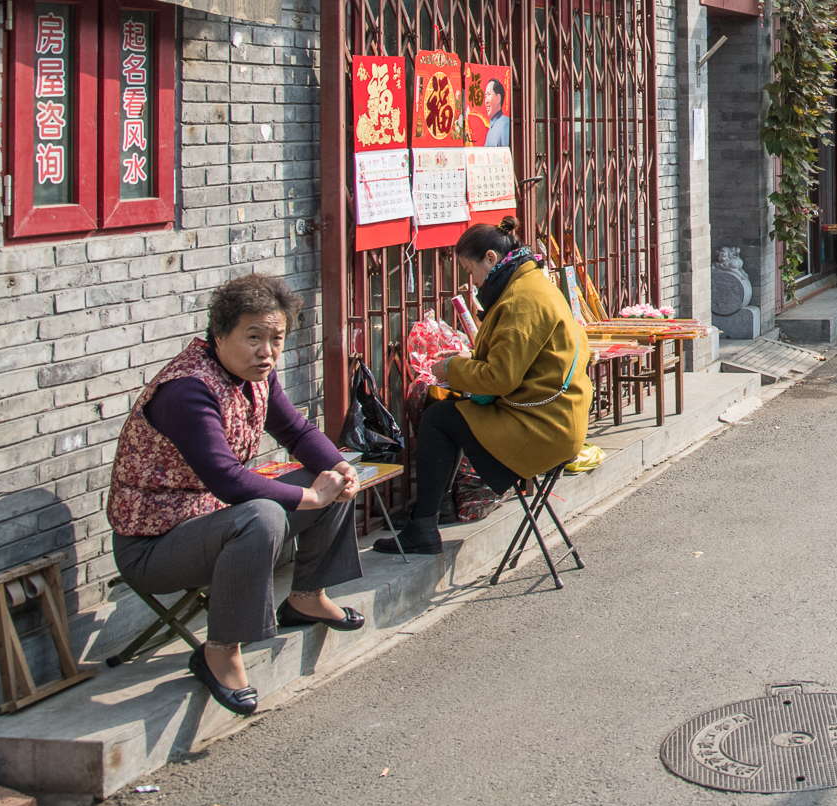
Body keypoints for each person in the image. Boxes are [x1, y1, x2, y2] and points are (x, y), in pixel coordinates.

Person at [107, 274, 365, 717]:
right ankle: (220, 650)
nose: (267, 352)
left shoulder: (255, 376)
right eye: (253, 338)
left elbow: (296, 429)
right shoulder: (188, 389)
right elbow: (226, 478)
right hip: (152, 547)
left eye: (276, 338)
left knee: (332, 480)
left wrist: (340, 468)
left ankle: (305, 596)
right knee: (263, 515)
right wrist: (311, 500)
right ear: (220, 334)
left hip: (209, 519)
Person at [374, 217, 592, 556]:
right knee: (448, 416)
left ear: (491, 258)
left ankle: (424, 526)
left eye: (469, 269)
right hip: (557, 417)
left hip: (544, 429)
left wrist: (451, 367)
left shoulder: (522, 299)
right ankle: (428, 519)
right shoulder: (532, 282)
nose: (470, 279)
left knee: (437, 419)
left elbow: (500, 378)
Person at [483, 79, 510, 148]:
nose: (486, 101)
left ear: (498, 98)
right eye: (485, 96)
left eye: (488, 94)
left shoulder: (505, 124)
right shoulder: (491, 128)